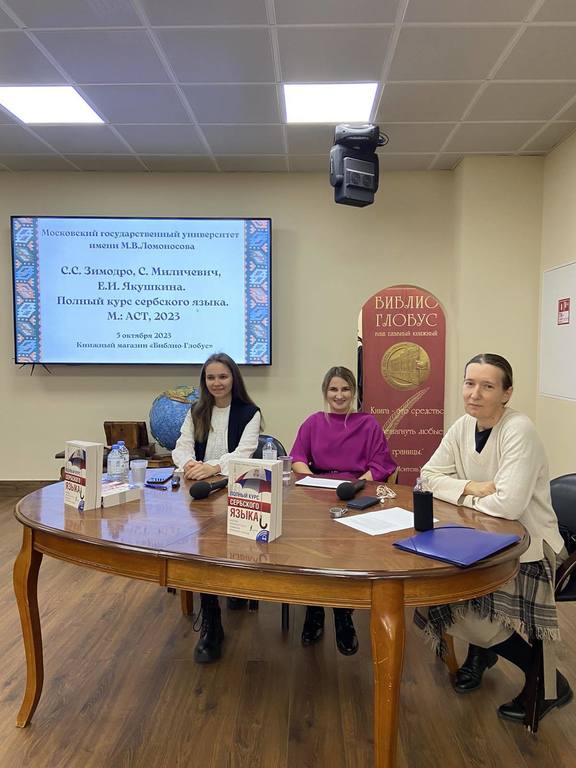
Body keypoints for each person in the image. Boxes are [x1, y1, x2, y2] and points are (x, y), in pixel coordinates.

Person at [417, 353, 572, 722]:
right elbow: (427, 477)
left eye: (487, 386)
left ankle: (549, 680)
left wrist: (457, 493)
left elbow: (509, 505)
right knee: (435, 596)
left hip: (530, 547)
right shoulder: (462, 426)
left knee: (470, 611)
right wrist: (472, 487)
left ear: (507, 393)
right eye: (470, 383)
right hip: (482, 538)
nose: (475, 394)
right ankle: (482, 652)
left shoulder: (519, 430)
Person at [291, 365, 397, 656]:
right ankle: (314, 610)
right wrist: (313, 481)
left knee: (345, 556)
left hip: (355, 494)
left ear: (354, 392)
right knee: (313, 552)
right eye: (333, 389)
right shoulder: (313, 422)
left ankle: (342, 615)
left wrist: (354, 487)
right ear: (325, 392)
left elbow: (380, 465)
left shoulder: (368, 424)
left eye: (345, 389)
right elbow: (298, 458)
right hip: (317, 494)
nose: (339, 395)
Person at [172, 352, 261, 663]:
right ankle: (211, 621)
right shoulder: (196, 411)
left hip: (237, 489)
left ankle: (236, 589)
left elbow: (244, 452)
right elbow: (181, 446)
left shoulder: (250, 412)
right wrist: (189, 464)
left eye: (223, 376)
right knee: (203, 551)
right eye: (211, 377)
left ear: (233, 378)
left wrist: (212, 467)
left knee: (232, 547)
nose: (217, 382)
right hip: (199, 490)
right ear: (204, 381)